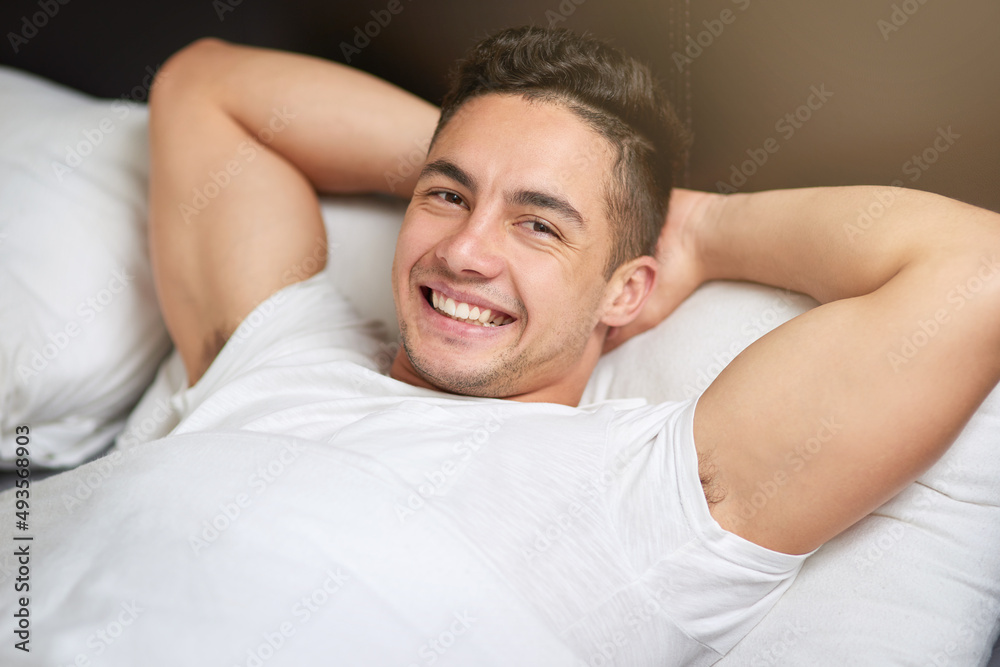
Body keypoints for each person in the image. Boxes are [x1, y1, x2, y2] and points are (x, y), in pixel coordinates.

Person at [144, 26, 1000, 664]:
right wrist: (487, 151)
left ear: (627, 290)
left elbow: (979, 271)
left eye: (539, 224)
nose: (465, 251)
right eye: (443, 198)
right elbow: (203, 86)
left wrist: (698, 225)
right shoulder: (281, 351)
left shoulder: (645, 495)